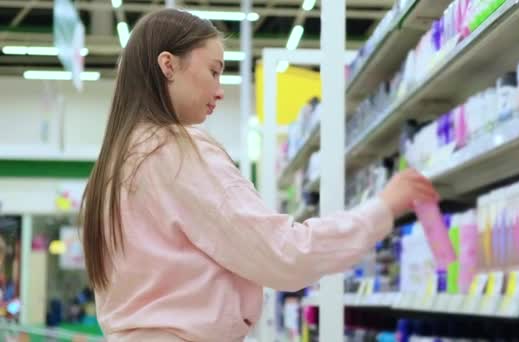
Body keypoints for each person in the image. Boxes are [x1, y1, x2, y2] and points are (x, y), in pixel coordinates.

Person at [80, 8, 439, 342]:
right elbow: (285, 253)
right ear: (168, 65)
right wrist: (382, 209)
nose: (220, 91)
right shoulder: (176, 150)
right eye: (214, 71)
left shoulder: (114, 163)